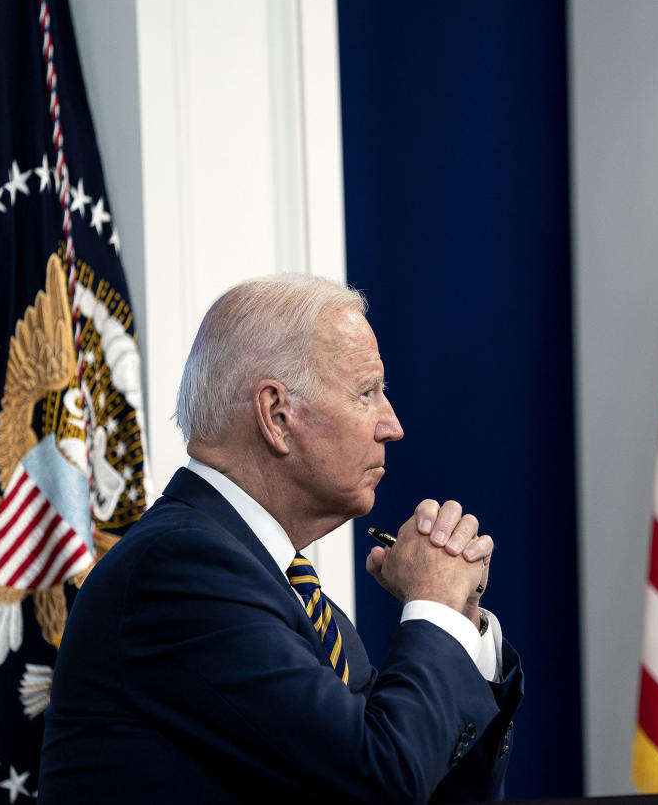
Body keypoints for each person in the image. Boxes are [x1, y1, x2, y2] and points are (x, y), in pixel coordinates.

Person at [39, 275, 522, 803]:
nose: (393, 425)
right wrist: (433, 608)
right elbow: (384, 779)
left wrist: (462, 617)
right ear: (276, 415)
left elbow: (438, 793)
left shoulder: (303, 605)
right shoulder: (179, 569)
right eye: (367, 393)